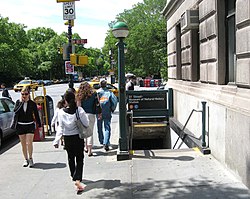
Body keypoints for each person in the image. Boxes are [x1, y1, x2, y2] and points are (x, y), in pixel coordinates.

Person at [53, 91, 89, 194]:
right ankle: (78, 179)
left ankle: (74, 176)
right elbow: (86, 123)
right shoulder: (79, 111)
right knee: (80, 158)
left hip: (67, 138)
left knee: (70, 157)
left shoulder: (61, 112)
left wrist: (56, 140)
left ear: (65, 101)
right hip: (78, 137)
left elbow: (60, 127)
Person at [12, 87, 42, 167]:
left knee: (29, 143)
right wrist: (21, 103)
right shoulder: (18, 102)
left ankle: (31, 158)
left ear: (29, 94)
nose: (24, 96)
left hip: (30, 125)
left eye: (26, 94)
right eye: (22, 94)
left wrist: (39, 125)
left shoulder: (32, 103)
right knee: (23, 144)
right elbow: (15, 111)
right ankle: (26, 159)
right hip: (20, 125)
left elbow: (36, 114)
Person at [76, 81, 102, 157]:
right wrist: (99, 113)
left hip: (82, 115)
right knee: (90, 132)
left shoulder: (79, 95)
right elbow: (98, 104)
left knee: (84, 132)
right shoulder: (94, 94)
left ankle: (85, 147)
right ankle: (90, 150)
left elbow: (78, 106)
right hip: (91, 114)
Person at [96, 80, 117, 151]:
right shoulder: (109, 93)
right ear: (106, 85)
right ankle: (106, 142)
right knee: (107, 127)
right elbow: (114, 102)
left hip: (99, 112)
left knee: (99, 126)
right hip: (107, 111)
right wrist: (112, 109)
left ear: (99, 85)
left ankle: (101, 141)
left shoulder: (97, 92)